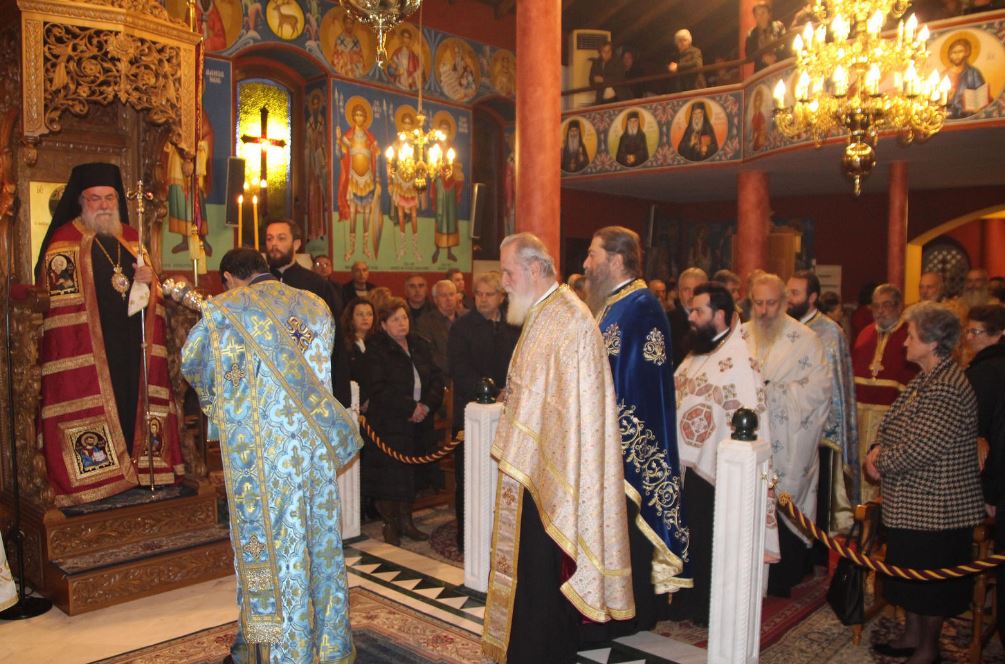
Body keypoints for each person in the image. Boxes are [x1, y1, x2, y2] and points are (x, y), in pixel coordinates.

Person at [181, 247, 360, 663]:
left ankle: (281, 651)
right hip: (313, 451)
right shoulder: (314, 304)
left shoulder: (226, 309)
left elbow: (193, 361)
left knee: (277, 550)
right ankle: (328, 644)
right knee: (318, 542)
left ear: (229, 278)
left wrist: (219, 406)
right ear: (264, 268)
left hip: (263, 456)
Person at [482, 233, 633, 663]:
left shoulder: (569, 319)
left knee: (544, 575)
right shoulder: (544, 312)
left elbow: (573, 412)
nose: (504, 283)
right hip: (534, 469)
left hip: (554, 475)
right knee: (532, 575)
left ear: (534, 269)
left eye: (508, 273)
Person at [35, 162, 184, 506]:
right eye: (95, 198)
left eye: (109, 198)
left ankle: (139, 469)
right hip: (90, 348)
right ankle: (101, 477)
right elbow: (58, 308)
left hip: (132, 345)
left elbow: (151, 296)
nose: (103, 205)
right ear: (81, 201)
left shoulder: (132, 239)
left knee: (133, 403)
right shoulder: (64, 242)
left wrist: (149, 283)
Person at [581, 226, 691, 638]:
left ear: (615, 259)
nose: (586, 264)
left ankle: (632, 614)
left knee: (631, 531)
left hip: (630, 446)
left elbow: (638, 386)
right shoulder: (614, 304)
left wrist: (607, 432)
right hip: (608, 440)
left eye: (592, 255)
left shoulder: (642, 308)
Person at [865, 303, 984, 664]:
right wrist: (876, 449)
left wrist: (880, 461)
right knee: (910, 580)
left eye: (912, 336)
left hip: (938, 509)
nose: (904, 343)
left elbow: (921, 448)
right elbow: (893, 426)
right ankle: (912, 635)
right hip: (914, 503)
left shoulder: (946, 386)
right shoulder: (927, 378)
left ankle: (927, 650)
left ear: (932, 343)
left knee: (931, 587)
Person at [675, 281, 777, 623]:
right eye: (691, 310)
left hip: (719, 470)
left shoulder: (740, 361)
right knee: (692, 534)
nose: (691, 317)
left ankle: (710, 607)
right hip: (690, 467)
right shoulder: (698, 352)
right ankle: (687, 600)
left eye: (698, 311)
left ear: (719, 315)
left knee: (711, 537)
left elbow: (746, 414)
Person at [743, 273, 831, 597]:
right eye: (758, 303)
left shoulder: (806, 340)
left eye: (771, 303)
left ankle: (783, 578)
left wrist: (775, 393)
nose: (764, 310)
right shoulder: (740, 335)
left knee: (785, 502)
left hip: (789, 441)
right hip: (750, 442)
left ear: (784, 302)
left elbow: (820, 391)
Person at [364, 298, 445, 545]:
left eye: (404, 318)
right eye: (395, 319)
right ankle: (391, 524)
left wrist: (426, 406)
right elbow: (378, 388)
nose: (402, 323)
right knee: (391, 475)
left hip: (420, 420)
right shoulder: (376, 350)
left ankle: (407, 521)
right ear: (384, 325)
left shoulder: (420, 344)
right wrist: (410, 407)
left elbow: (436, 378)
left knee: (412, 473)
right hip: (390, 422)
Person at [447, 272, 519, 547]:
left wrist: (510, 389)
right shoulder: (462, 327)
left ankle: (501, 536)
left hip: (508, 410)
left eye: (489, 294)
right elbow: (459, 368)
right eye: (479, 294)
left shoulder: (513, 324)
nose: (483, 299)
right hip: (472, 413)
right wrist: (491, 392)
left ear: (501, 297)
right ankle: (467, 537)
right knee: (470, 478)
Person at [787, 271, 859, 533]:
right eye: (787, 292)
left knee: (817, 503)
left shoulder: (830, 332)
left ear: (812, 297)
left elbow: (835, 387)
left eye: (795, 293)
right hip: (787, 426)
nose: (788, 298)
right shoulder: (782, 327)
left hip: (819, 431)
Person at [266, 220, 349, 406]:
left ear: (296, 244)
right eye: (269, 239)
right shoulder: (259, 284)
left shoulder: (316, 284)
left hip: (308, 376)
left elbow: (334, 334)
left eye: (281, 238)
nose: (274, 244)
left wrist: (340, 392)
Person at [852, 284, 918, 502]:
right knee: (860, 465)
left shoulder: (909, 335)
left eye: (886, 305)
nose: (880, 311)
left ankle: (880, 514)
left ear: (899, 306)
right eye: (876, 306)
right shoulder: (865, 334)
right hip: (860, 414)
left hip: (891, 417)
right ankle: (859, 511)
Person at [964, 304, 1005, 646]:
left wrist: (990, 492)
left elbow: (986, 436)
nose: (969, 338)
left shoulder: (986, 374)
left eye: (975, 332)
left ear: (998, 335)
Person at [336, 102, 379, 261]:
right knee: (353, 213)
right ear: (353, 117)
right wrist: (338, 140)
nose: (359, 117)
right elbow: (341, 155)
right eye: (356, 115)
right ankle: (352, 248)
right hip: (354, 177)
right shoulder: (348, 135)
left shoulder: (369, 137)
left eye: (361, 115)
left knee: (367, 213)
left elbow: (377, 155)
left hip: (367, 178)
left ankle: (365, 247)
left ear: (365, 117)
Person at [431, 127, 464, 263]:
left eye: (447, 131)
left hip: (451, 185)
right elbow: (431, 167)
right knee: (440, 217)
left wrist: (453, 168)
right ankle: (437, 249)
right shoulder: (435, 149)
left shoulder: (452, 148)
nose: (445, 133)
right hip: (440, 184)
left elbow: (457, 165)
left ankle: (450, 251)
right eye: (442, 131)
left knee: (450, 217)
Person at [414, 279, 459, 376]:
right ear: (435, 300)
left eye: (451, 294)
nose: (448, 299)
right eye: (443, 295)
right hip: (441, 377)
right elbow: (431, 355)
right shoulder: (425, 323)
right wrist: (458, 369)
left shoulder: (466, 319)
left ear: (457, 297)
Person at [942, 36, 990, 119]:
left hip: (969, 115)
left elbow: (981, 94)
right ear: (950, 55)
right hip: (947, 115)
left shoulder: (973, 73)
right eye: (954, 52)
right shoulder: (943, 75)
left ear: (967, 53)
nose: (957, 55)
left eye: (960, 51)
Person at [668, 267, 708, 366]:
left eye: (696, 290)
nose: (691, 295)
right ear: (679, 293)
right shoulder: (667, 321)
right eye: (686, 290)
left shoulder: (714, 320)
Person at [745, 2, 787, 72]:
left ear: (768, 14)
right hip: (762, 70)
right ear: (755, 17)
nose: (760, 16)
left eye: (763, 13)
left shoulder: (778, 26)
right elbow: (749, 54)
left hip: (781, 64)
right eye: (757, 14)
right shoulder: (751, 34)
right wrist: (763, 59)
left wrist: (775, 56)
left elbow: (786, 43)